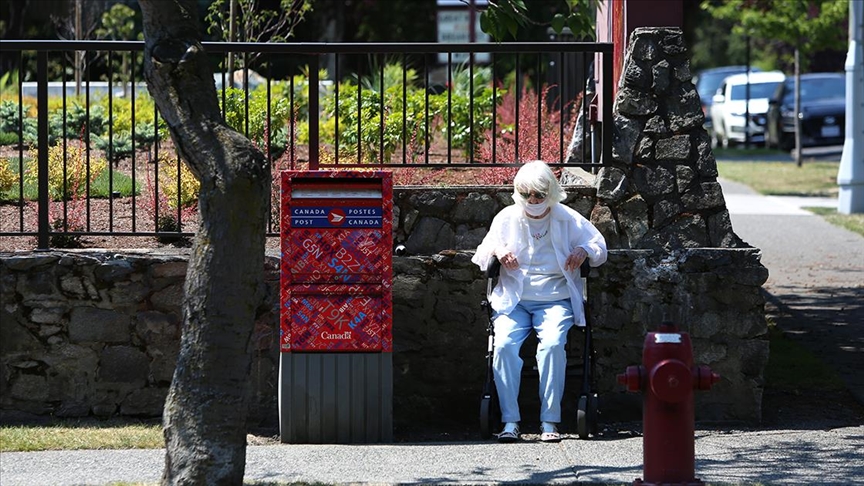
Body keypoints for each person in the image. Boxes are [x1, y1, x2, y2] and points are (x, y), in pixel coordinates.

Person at [472, 161, 607, 443]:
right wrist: (498, 250)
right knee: (505, 345)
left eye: (539, 195)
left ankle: (550, 421)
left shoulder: (567, 218)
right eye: (526, 195)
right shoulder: (507, 218)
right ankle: (510, 421)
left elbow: (599, 246)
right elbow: (482, 252)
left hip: (555, 300)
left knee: (554, 344)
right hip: (515, 300)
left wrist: (583, 250)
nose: (532, 201)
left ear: (551, 193)